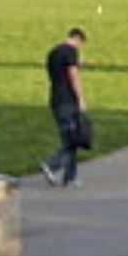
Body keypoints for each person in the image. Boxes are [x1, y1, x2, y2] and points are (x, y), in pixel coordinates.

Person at [40, 28, 88, 188]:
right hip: (68, 101)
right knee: (72, 140)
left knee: (71, 138)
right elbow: (72, 75)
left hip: (55, 99)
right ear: (78, 39)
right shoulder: (70, 51)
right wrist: (81, 98)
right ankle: (52, 165)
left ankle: (70, 178)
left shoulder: (53, 52)